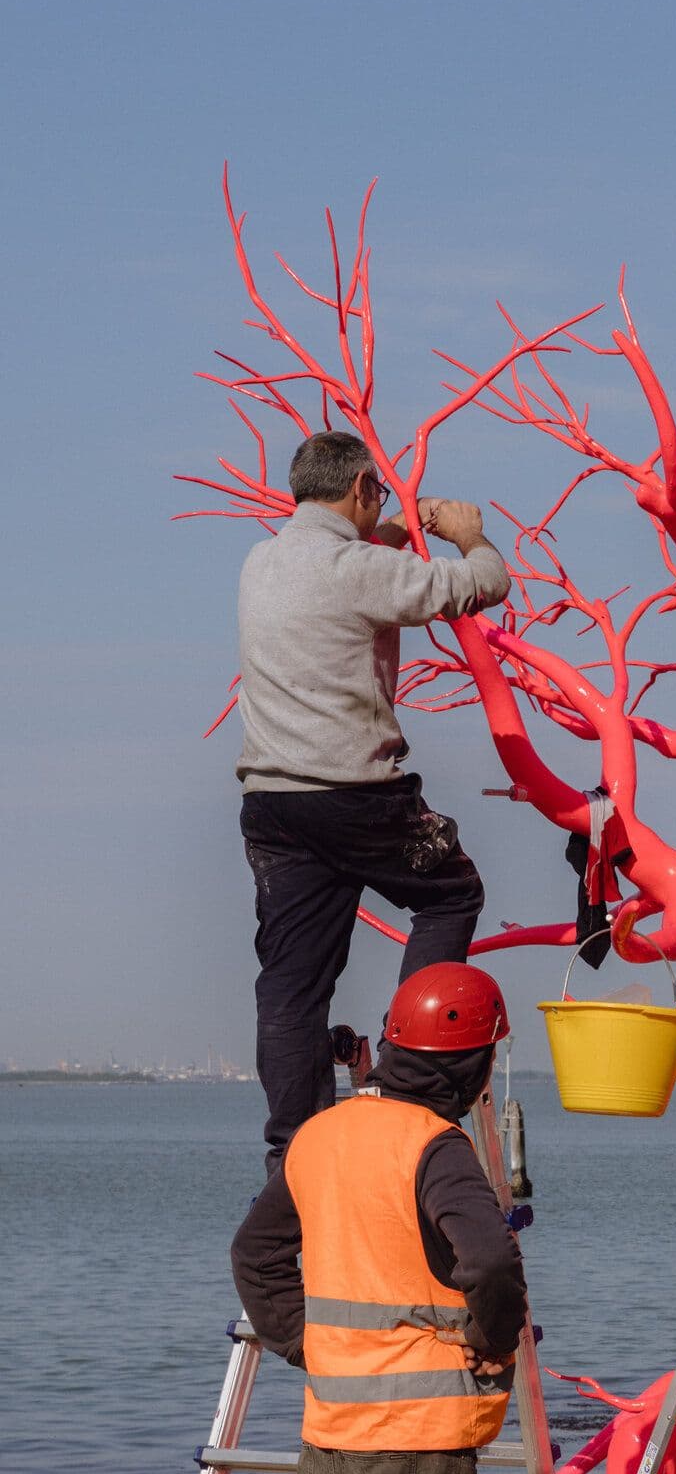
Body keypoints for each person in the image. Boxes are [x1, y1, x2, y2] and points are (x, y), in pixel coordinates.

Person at [231, 962, 525, 1474]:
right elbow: (490, 1262)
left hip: (329, 1444)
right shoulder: (434, 1146)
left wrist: (310, 1345)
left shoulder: (321, 1136)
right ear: (473, 1065)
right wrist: (493, 1337)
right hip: (414, 1449)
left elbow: (254, 1256)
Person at [236, 430, 511, 1166]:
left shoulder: (262, 562)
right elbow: (479, 586)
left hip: (272, 801)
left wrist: (390, 526)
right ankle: (413, 1082)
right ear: (361, 486)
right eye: (378, 493)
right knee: (452, 893)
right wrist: (470, 537)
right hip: (354, 795)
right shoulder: (357, 570)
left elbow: (350, 564)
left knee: (293, 984)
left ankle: (293, 1154)